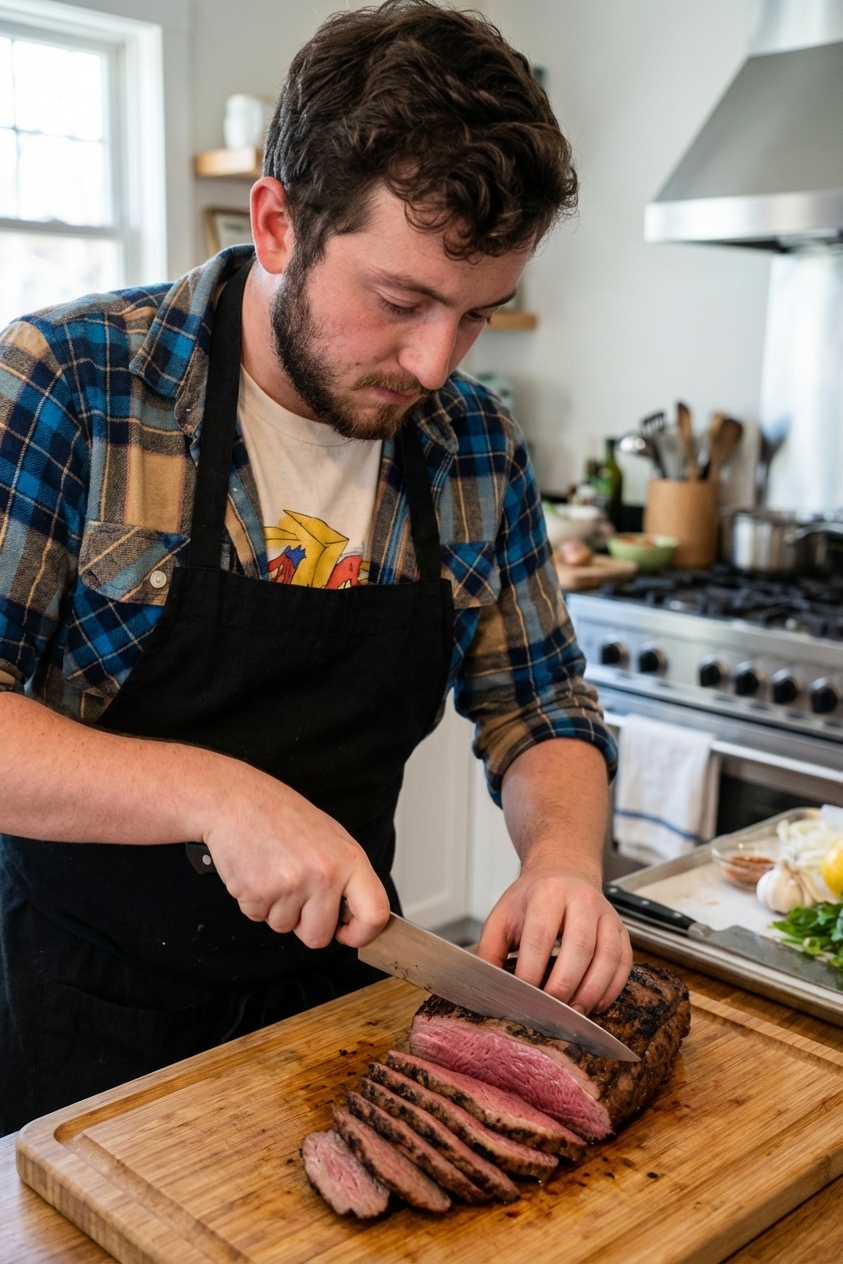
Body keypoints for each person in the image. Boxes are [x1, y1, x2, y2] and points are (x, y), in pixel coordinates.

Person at [0, 0, 631, 1135]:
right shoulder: (72, 384)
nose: (437, 362)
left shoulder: (472, 444)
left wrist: (566, 864)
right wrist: (214, 794)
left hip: (338, 1016)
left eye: (479, 315)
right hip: (80, 1018)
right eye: (402, 301)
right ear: (279, 224)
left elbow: (540, 704)